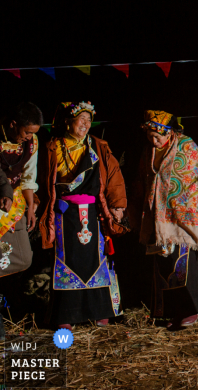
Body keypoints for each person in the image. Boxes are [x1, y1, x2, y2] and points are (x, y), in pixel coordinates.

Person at [131, 110, 198, 328]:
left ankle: (193, 310)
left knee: (185, 264)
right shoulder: (149, 152)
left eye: (158, 136)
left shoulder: (186, 145)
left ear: (170, 132)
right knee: (165, 267)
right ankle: (174, 311)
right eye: (150, 135)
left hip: (185, 218)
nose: (154, 140)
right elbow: (142, 181)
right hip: (159, 221)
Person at [38, 102, 127, 330]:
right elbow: (43, 183)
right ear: (68, 121)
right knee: (67, 261)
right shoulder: (51, 148)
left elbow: (114, 175)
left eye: (89, 120)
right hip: (63, 216)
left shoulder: (98, 146)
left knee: (95, 261)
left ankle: (101, 312)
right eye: (81, 120)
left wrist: (117, 205)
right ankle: (65, 315)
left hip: (94, 214)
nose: (86, 125)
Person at [0, 102, 41, 280]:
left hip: (15, 203)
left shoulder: (31, 143)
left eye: (33, 133)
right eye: (27, 131)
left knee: (24, 257)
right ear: (13, 124)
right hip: (0, 197)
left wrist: (30, 207)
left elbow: (28, 177)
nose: (29, 136)